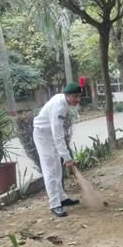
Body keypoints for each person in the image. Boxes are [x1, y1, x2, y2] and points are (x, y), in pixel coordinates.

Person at [33, 82, 83, 217]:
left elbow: (57, 134)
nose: (77, 100)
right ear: (67, 95)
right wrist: (67, 158)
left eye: (79, 96)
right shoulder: (59, 107)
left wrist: (65, 157)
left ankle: (62, 197)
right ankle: (55, 204)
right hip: (43, 136)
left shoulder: (64, 101)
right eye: (75, 97)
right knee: (50, 170)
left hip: (50, 134)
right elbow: (58, 135)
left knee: (57, 168)